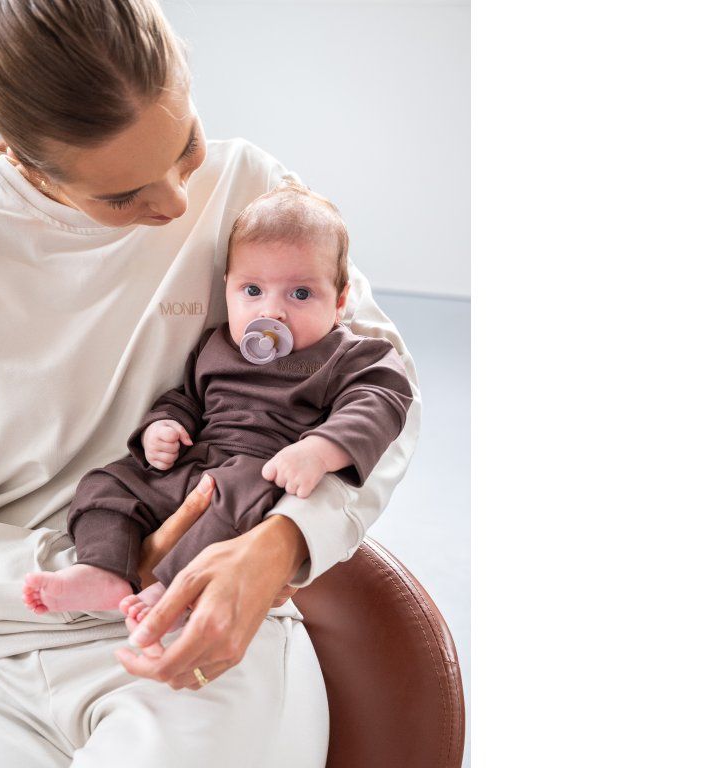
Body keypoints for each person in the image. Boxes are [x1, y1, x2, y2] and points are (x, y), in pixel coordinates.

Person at [0, 1, 422, 765]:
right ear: (27, 162)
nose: (178, 203)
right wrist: (95, 565)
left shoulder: (250, 189)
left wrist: (282, 544)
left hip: (205, 619)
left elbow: (383, 389)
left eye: (187, 145)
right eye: (121, 197)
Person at [21, 180, 415, 652]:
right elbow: (188, 397)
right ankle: (102, 569)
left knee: (234, 501)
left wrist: (320, 450)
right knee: (107, 484)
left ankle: (176, 590)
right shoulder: (218, 344)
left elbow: (383, 396)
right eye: (253, 290)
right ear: (227, 288)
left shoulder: (345, 355)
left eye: (300, 293)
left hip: (260, 471)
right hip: (193, 464)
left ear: (340, 300)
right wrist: (162, 427)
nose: (272, 311)